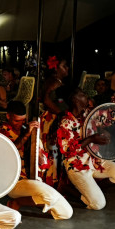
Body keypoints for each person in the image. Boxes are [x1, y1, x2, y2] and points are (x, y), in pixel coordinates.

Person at [0, 101, 73, 220]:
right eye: (16, 121)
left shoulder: (27, 128)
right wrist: (26, 134)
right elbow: (11, 150)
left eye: (23, 120)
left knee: (66, 213)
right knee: (50, 196)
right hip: (15, 183)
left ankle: (27, 201)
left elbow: (42, 160)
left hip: (34, 180)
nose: (20, 124)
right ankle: (17, 202)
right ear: (8, 116)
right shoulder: (1, 132)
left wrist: (40, 155)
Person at [57, 88, 115, 210]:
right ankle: (66, 189)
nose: (86, 96)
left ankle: (94, 189)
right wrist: (91, 139)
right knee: (98, 204)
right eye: (83, 94)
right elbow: (68, 151)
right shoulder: (65, 123)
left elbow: (110, 118)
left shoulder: (89, 114)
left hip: (95, 162)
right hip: (77, 167)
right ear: (76, 100)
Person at [39, 56, 70, 187]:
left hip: (53, 117)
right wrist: (61, 113)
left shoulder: (55, 81)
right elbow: (46, 100)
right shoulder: (55, 82)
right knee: (53, 151)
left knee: (54, 150)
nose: (67, 68)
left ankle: (54, 179)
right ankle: (53, 180)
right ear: (56, 68)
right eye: (64, 66)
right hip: (52, 119)